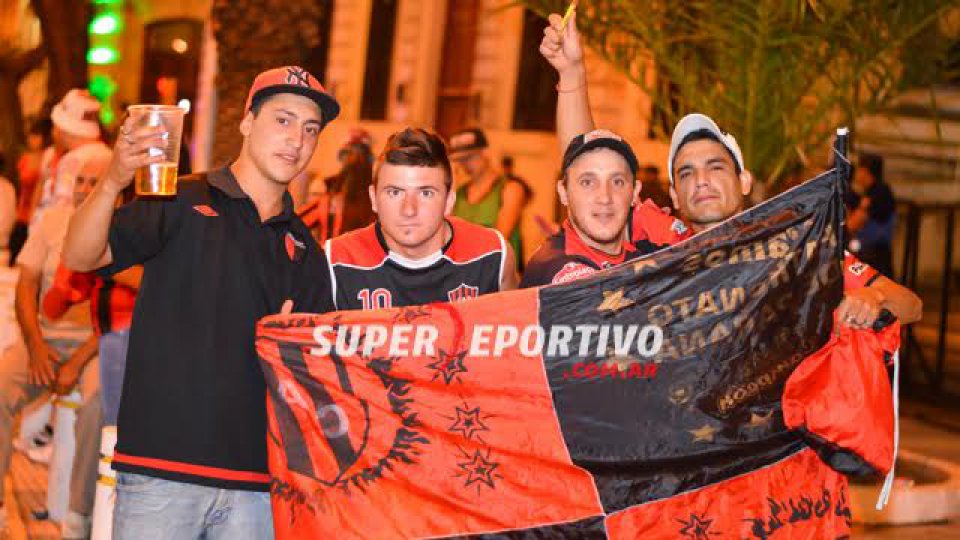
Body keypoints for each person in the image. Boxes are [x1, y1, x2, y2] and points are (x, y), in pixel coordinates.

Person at [62, 66, 340, 539]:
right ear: (248, 122)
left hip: (258, 486)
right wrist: (112, 180)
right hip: (159, 472)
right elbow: (81, 255)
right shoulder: (178, 197)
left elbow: (318, 382)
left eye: (310, 129)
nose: (297, 139)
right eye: (283, 120)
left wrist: (291, 353)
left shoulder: (307, 252)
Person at [1, 151, 110, 538]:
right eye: (80, 181)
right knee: (0, 388)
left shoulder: (123, 227)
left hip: (96, 346)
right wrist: (34, 346)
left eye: (94, 182)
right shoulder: (51, 221)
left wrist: (76, 363)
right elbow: (26, 285)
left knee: (98, 403)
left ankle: (78, 515)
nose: (84, 189)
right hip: (43, 341)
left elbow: (122, 312)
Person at [326, 128, 518, 309]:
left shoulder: (492, 256)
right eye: (394, 192)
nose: (409, 209)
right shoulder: (336, 262)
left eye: (426, 193)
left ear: (449, 201)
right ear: (373, 199)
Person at [521, 130, 661, 287]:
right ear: (563, 192)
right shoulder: (559, 271)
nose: (605, 198)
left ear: (635, 193)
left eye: (617, 182)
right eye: (587, 182)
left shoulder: (642, 256)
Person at [448, 128, 530, 264]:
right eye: (461, 160)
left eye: (470, 157)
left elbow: (499, 239)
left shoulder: (510, 189)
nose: (465, 164)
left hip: (499, 275)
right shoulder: (459, 193)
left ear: (485, 152)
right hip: (467, 273)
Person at [846, 153, 895, 277]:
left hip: (874, 256)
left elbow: (854, 223)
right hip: (868, 254)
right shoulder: (868, 192)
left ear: (865, 171)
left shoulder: (880, 191)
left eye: (858, 169)